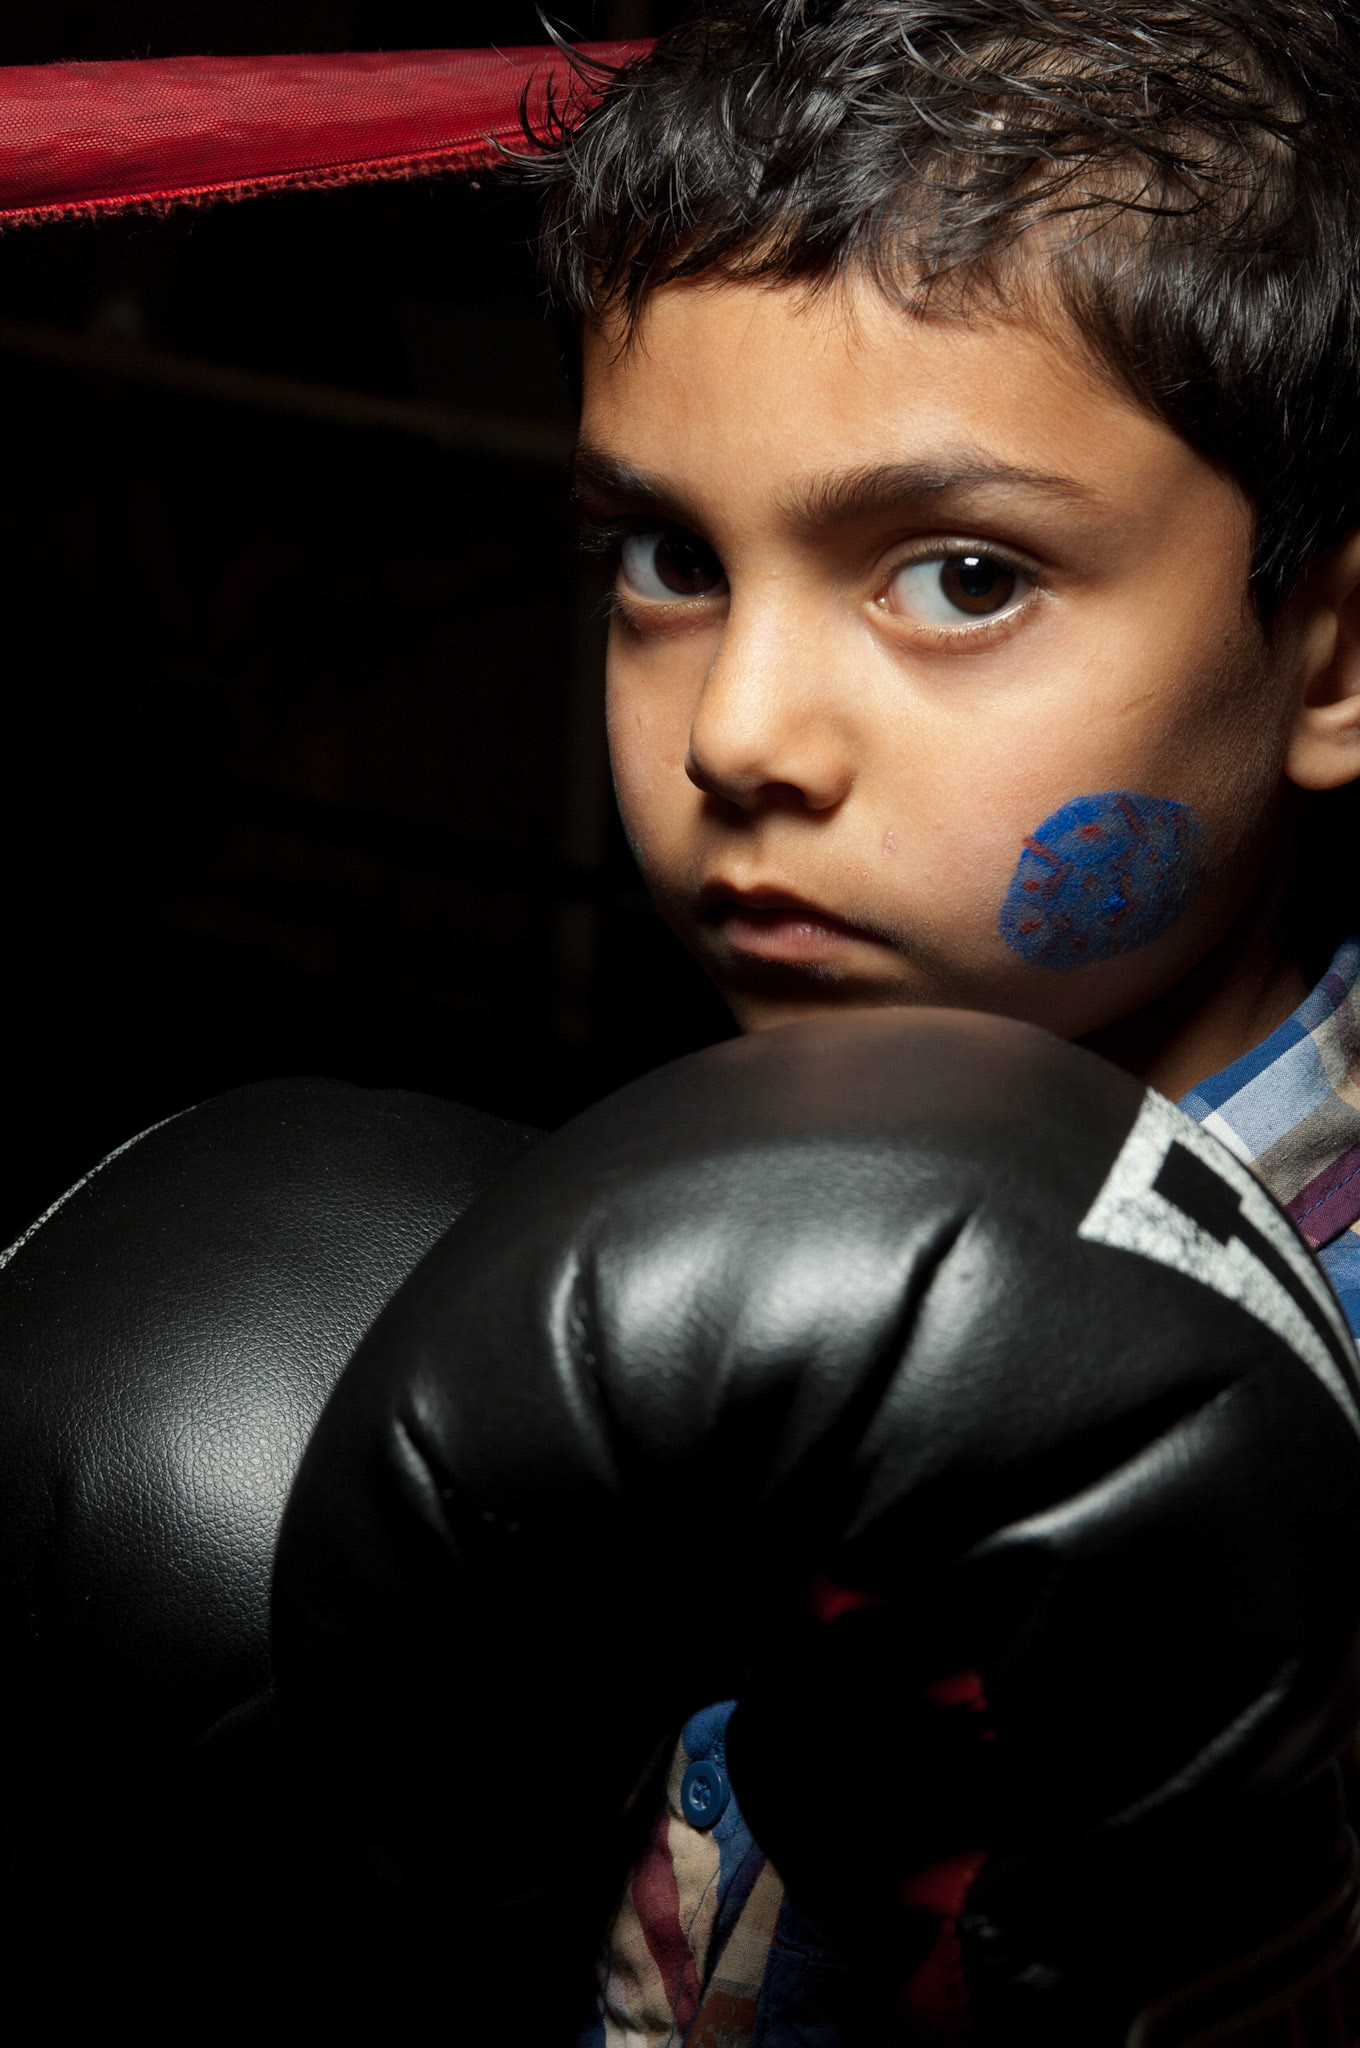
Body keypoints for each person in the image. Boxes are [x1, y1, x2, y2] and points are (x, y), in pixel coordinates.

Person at [506, 0, 1360, 2036]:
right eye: (666, 557)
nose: (735, 736)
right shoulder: (684, 1207)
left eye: (959, 575)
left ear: (1329, 660)